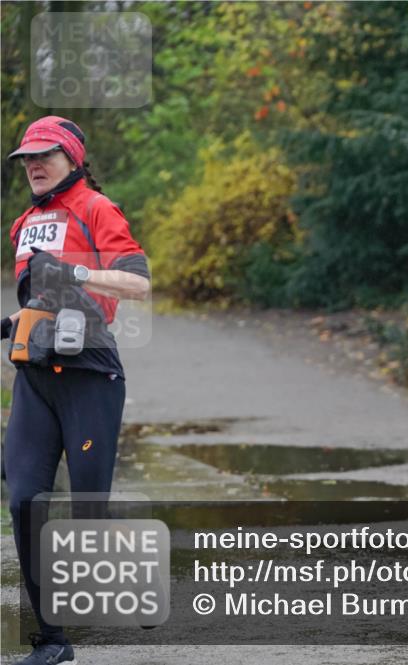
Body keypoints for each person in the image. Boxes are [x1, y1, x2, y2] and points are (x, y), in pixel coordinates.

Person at [3, 116, 151, 665]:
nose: (34, 165)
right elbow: (42, 301)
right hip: (36, 377)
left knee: (88, 512)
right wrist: (10, 324)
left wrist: (76, 273)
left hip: (90, 375)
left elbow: (138, 283)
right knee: (24, 503)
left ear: (72, 159)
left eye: (45, 155)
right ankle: (52, 640)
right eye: (27, 158)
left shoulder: (96, 208)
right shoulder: (24, 224)